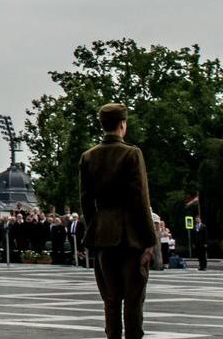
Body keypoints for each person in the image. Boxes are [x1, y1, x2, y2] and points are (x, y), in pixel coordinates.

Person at [80, 103, 156, 339]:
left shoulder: (88, 157)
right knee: (133, 302)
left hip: (103, 236)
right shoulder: (132, 154)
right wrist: (149, 239)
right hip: (130, 236)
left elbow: (86, 202)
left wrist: (94, 232)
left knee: (111, 301)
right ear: (123, 124)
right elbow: (140, 200)